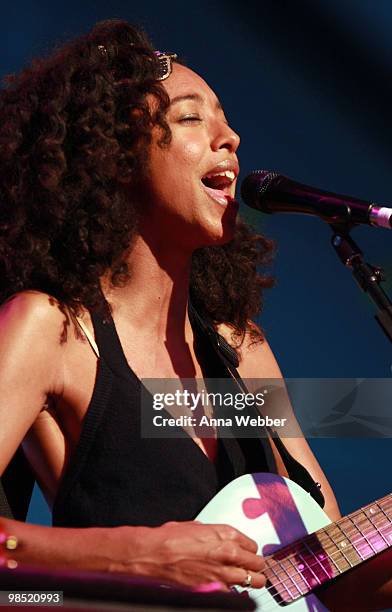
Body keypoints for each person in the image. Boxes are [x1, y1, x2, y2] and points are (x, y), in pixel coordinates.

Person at [0, 18, 391, 610]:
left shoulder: (243, 349)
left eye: (226, 119)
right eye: (190, 117)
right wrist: (139, 556)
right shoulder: (51, 331)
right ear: (113, 157)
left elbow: (322, 583)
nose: (230, 136)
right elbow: (29, 592)